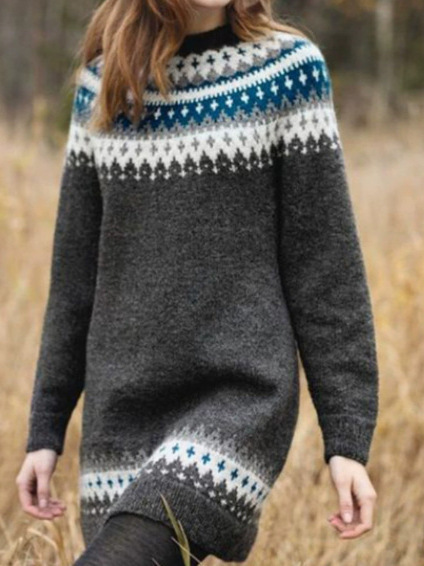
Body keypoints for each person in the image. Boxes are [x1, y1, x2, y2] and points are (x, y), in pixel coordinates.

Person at [16, 0, 379, 564]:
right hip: (122, 411)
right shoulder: (103, 85)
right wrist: (45, 429)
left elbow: (325, 267)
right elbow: (74, 278)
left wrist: (347, 438)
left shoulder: (287, 71)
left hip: (239, 402)